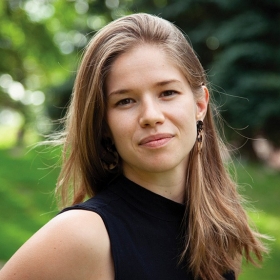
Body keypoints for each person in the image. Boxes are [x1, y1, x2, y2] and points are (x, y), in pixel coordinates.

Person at [0, 13, 268, 280]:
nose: (151, 116)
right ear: (103, 124)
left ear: (200, 104)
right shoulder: (84, 234)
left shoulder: (216, 230)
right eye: (125, 101)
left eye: (167, 93)